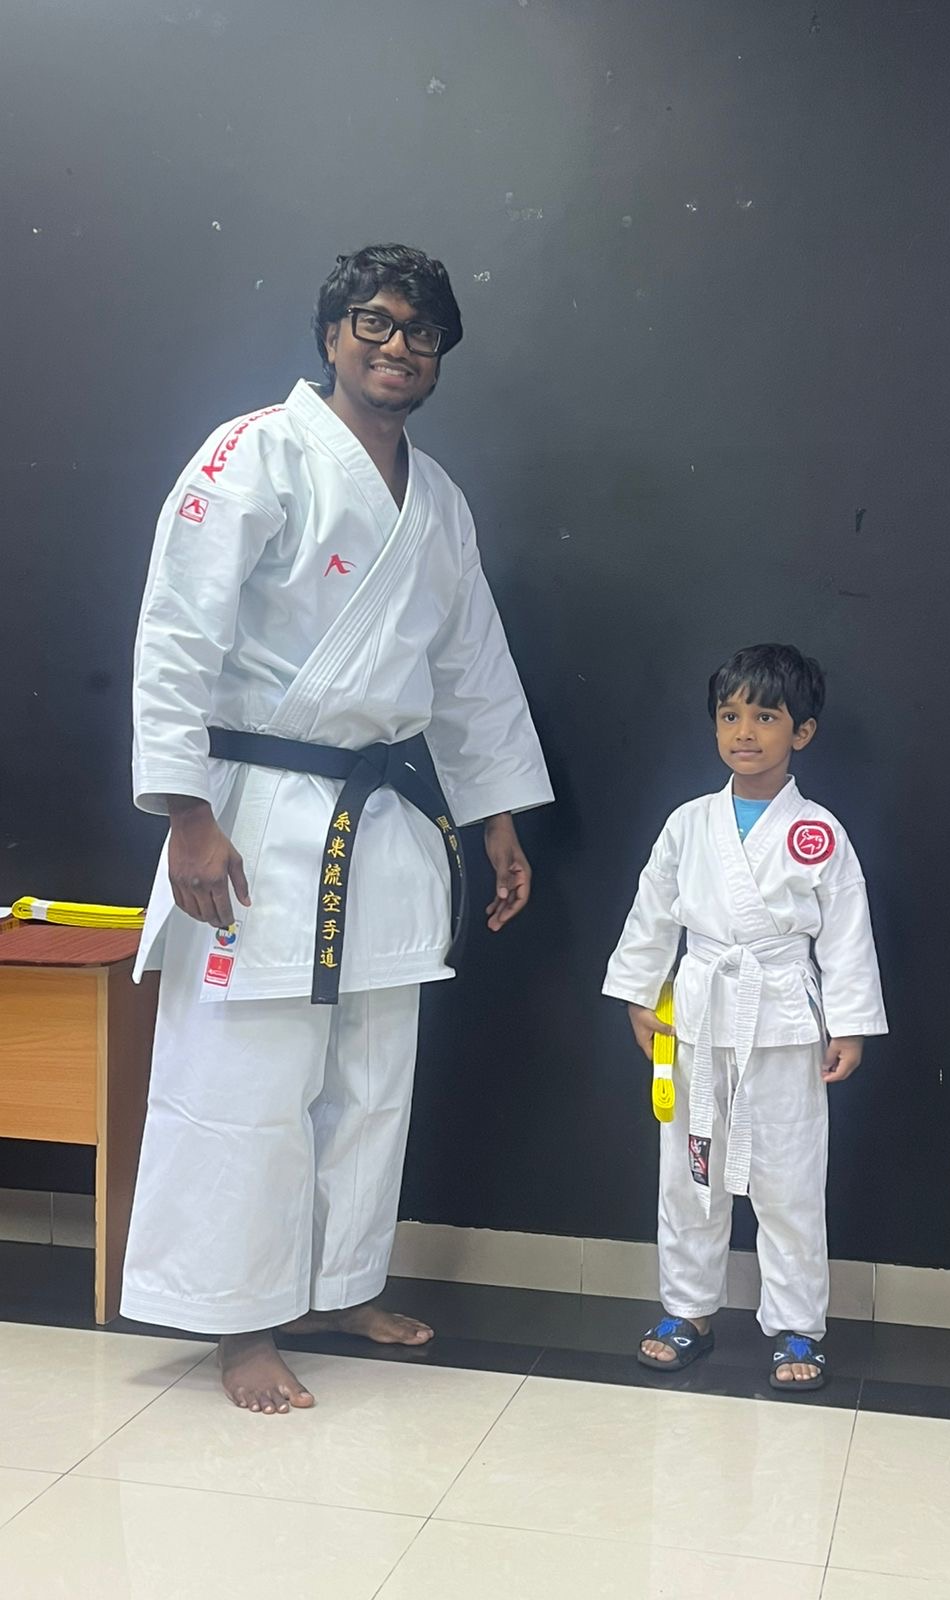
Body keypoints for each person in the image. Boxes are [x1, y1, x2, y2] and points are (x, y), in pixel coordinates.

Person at [123, 244, 553, 1414]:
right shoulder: (254, 452)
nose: (397, 346)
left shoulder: (439, 500)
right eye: (375, 323)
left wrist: (496, 817)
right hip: (256, 815)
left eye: (422, 334)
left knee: (371, 1076)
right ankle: (237, 1320)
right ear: (331, 334)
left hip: (387, 826)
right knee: (249, 1076)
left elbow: (471, 675)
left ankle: (341, 1279)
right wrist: (187, 813)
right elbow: (175, 636)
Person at [602, 644, 887, 1393]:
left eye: (766, 715)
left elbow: (847, 932)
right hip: (698, 1013)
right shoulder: (688, 824)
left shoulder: (817, 831)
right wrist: (640, 992)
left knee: (790, 1177)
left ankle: (798, 1325)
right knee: (690, 1171)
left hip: (784, 1020)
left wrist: (849, 1022)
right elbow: (654, 911)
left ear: (804, 732)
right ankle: (687, 1311)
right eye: (731, 715)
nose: (745, 732)